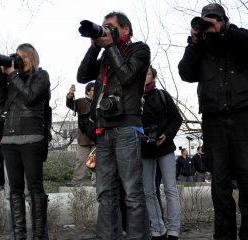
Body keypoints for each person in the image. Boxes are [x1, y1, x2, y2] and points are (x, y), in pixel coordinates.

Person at [178, 3, 248, 239]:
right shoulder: (200, 48)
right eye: (206, 19)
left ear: (224, 19)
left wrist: (224, 31)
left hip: (244, 118)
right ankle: (224, 235)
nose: (210, 23)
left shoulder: (240, 38)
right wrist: (194, 41)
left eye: (214, 18)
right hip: (214, 121)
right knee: (220, 183)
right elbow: (185, 73)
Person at [77, 11, 151, 239]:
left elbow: (127, 76)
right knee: (105, 193)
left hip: (127, 127)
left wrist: (110, 47)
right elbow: (82, 77)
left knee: (132, 193)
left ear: (125, 29)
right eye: (103, 27)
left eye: (110, 27)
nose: (105, 30)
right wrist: (95, 46)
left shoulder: (139, 49)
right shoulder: (106, 55)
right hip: (104, 130)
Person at [0, 43, 50, 240]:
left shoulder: (41, 76)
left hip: (31, 138)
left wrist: (12, 75)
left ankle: (39, 236)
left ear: (32, 58)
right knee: (15, 191)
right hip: (9, 140)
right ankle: (19, 236)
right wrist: (3, 74)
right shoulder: (11, 78)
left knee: (35, 190)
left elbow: (30, 97)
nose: (19, 60)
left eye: (23, 56)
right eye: (17, 56)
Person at [141, 66, 182, 240]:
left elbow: (176, 118)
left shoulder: (162, 95)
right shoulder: (133, 98)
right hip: (144, 149)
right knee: (148, 190)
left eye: (148, 74)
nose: (144, 77)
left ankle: (174, 230)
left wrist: (166, 134)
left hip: (165, 147)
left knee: (170, 189)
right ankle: (158, 228)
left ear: (153, 76)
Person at [66, 83, 96, 187]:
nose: (95, 91)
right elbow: (70, 104)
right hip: (84, 138)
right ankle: (76, 182)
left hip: (97, 138)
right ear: (88, 91)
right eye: (93, 90)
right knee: (81, 161)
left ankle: (97, 183)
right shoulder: (81, 101)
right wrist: (70, 95)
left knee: (97, 162)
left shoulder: (100, 102)